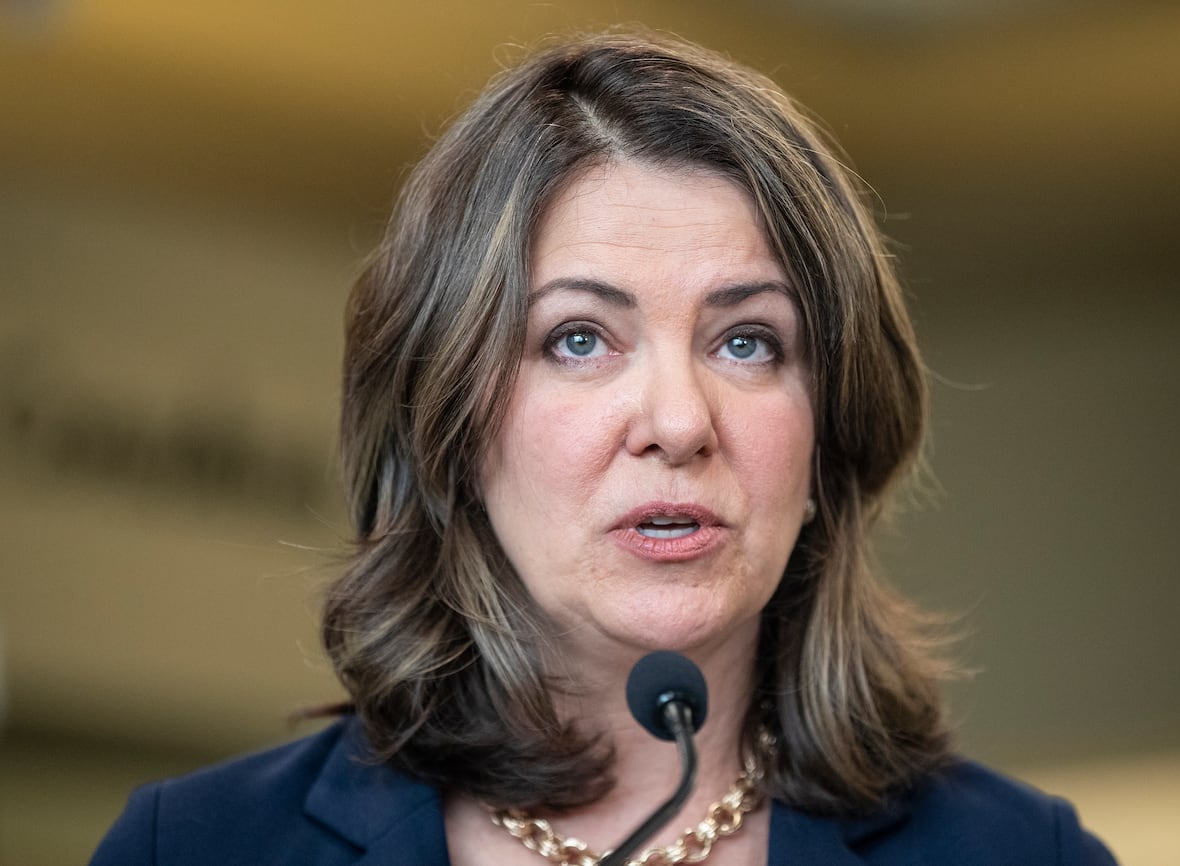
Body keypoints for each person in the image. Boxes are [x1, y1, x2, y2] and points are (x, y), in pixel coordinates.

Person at [91, 29, 1117, 866]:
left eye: (746, 340)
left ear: (830, 433)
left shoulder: (1022, 853)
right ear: (447, 422)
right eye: (578, 339)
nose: (677, 420)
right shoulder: (192, 847)